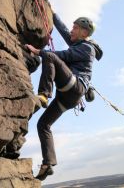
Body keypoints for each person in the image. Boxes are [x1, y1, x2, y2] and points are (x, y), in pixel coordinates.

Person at [25, 12, 103, 181]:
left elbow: (64, 56)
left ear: (84, 32)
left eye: (76, 28)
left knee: (49, 55)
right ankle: (47, 164)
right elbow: (63, 29)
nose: (72, 30)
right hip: (68, 98)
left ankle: (44, 95)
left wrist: (38, 51)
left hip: (74, 87)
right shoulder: (78, 42)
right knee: (43, 124)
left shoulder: (86, 48)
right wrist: (51, 13)